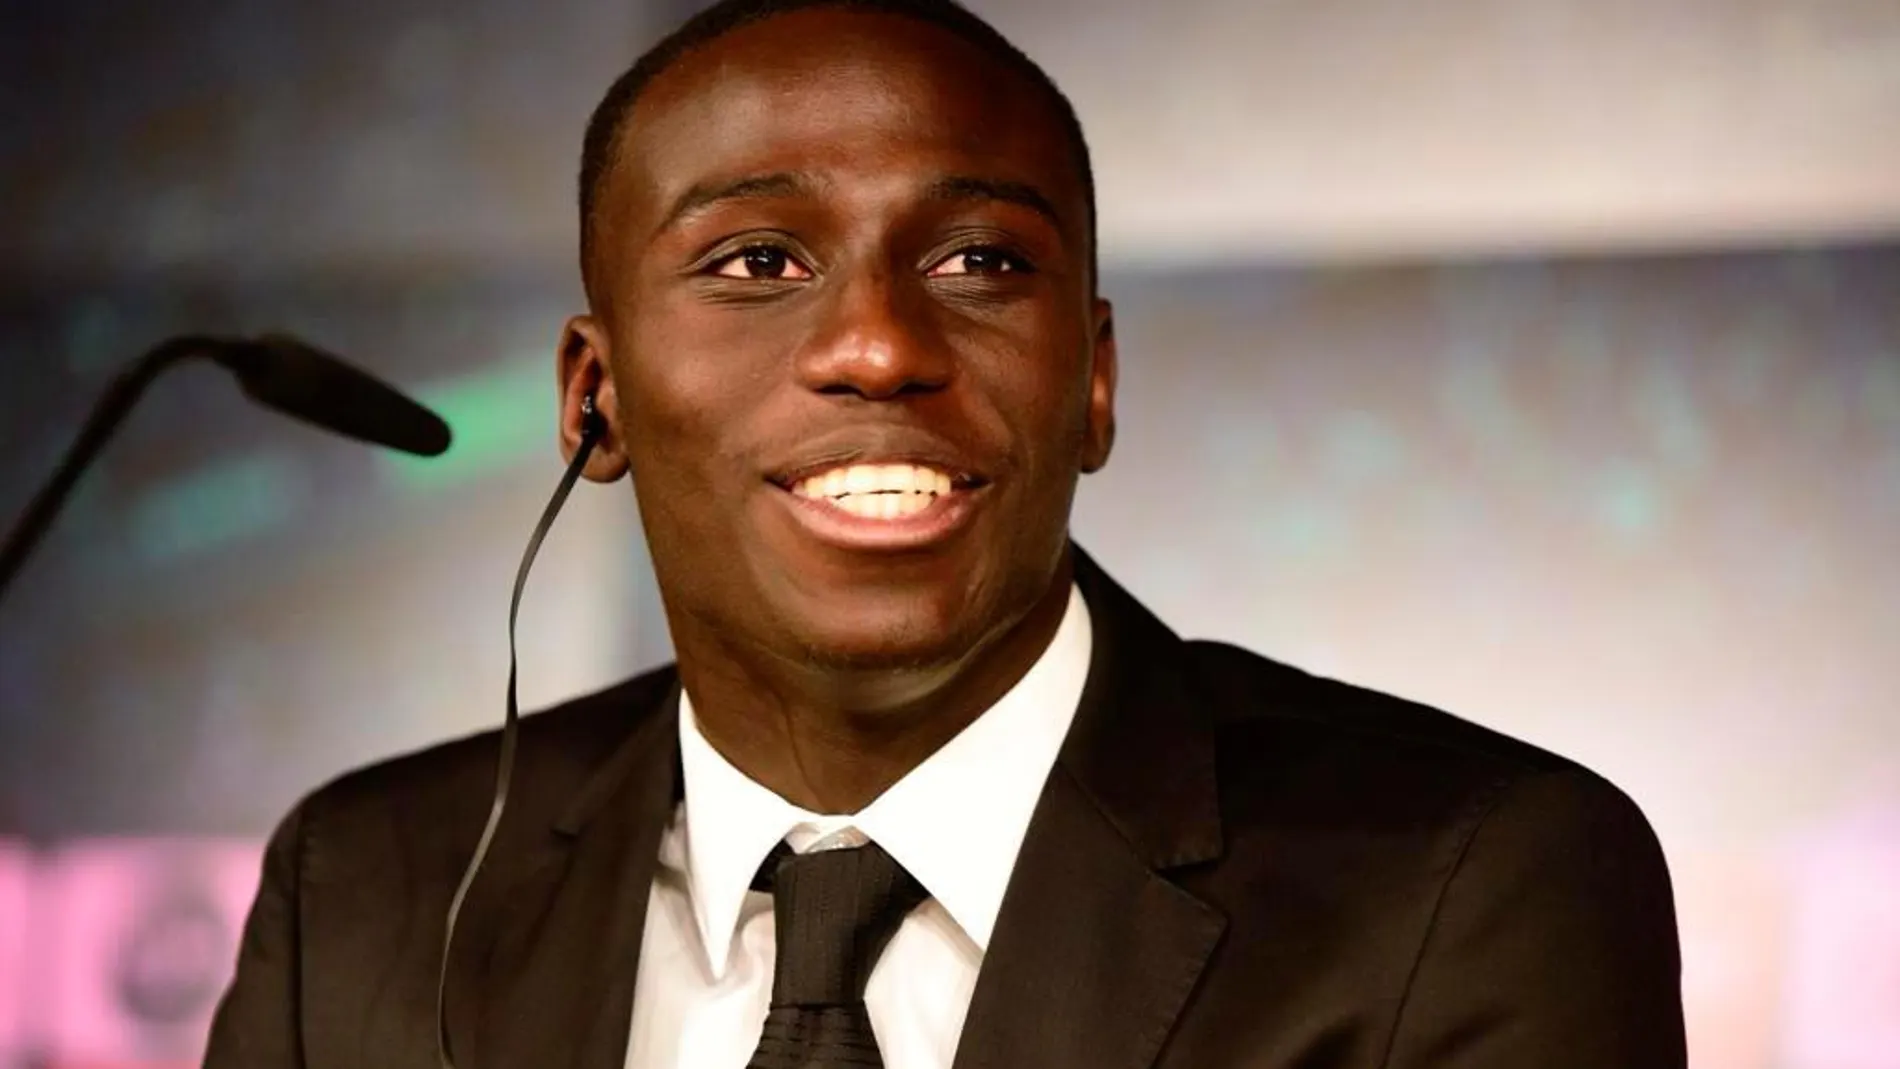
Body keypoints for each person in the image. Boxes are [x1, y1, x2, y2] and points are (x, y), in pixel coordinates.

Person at [204, 1, 1687, 1066]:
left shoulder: (1474, 884)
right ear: (596, 398)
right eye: (758, 258)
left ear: (1091, 381)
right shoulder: (367, 894)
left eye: (980, 259)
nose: (875, 343)